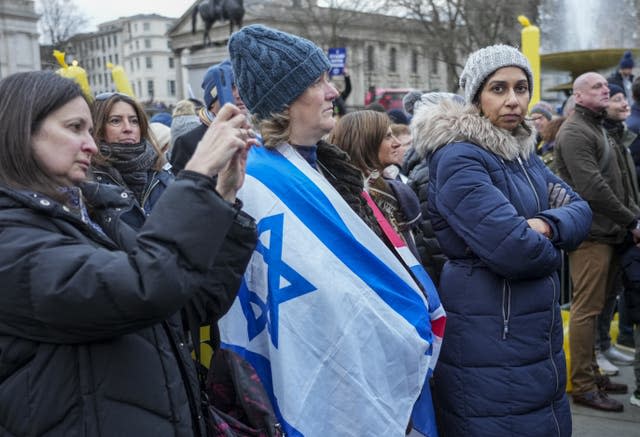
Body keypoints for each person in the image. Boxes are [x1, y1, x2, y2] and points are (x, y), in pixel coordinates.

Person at [0, 70, 257, 436]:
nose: (90, 144)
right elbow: (144, 286)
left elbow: (188, 307)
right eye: (75, 128)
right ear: (21, 131)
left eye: (90, 130)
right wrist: (196, 175)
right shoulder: (9, 236)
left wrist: (222, 194)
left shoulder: (98, 214)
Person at [223, 24, 445, 437]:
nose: (332, 92)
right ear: (285, 102)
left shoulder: (329, 166)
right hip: (335, 378)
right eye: (318, 82)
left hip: (376, 362)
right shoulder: (255, 180)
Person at [418, 44, 591, 435]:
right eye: (498, 88)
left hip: (533, 333)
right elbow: (516, 250)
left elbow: (581, 210)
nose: (513, 100)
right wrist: (550, 238)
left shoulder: (521, 152)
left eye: (521, 87)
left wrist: (544, 226)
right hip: (490, 332)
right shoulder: (459, 157)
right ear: (476, 95)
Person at [555, 72, 638, 412]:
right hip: (591, 235)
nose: (606, 90)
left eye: (607, 86)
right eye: (597, 87)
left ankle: (591, 374)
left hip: (610, 232)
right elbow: (592, 188)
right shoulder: (575, 131)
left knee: (598, 307)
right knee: (586, 311)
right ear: (577, 96)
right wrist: (631, 220)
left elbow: (621, 184)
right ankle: (584, 385)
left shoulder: (599, 127)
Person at [329, 110, 421, 258]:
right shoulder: (343, 197)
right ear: (365, 142)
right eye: (388, 137)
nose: (397, 143)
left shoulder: (393, 191)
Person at [91, 92, 172, 214]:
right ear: (98, 127)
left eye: (134, 121)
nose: (128, 128)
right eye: (116, 121)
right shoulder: (88, 179)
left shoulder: (162, 173)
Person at [171, 59, 247, 173]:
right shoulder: (187, 143)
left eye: (241, 86)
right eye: (231, 88)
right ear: (212, 103)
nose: (238, 95)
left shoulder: (257, 134)